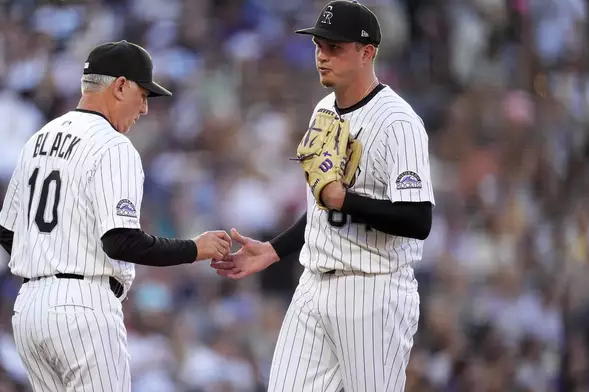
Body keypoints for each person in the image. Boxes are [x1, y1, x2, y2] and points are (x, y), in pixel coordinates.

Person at [211, 1, 435, 391]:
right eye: (319, 46)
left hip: (373, 289)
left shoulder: (398, 122)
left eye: (335, 48)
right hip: (314, 284)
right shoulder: (324, 110)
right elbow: (321, 209)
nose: (322, 56)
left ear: (367, 53)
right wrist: (275, 250)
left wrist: (344, 200)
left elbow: (418, 220)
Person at [0, 40, 232, 392]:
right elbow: (121, 241)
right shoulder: (112, 145)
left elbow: (7, 231)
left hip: (30, 309)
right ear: (120, 86)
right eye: (143, 94)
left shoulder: (38, 139)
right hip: (83, 309)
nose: (145, 109)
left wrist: (50, 259)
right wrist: (194, 249)